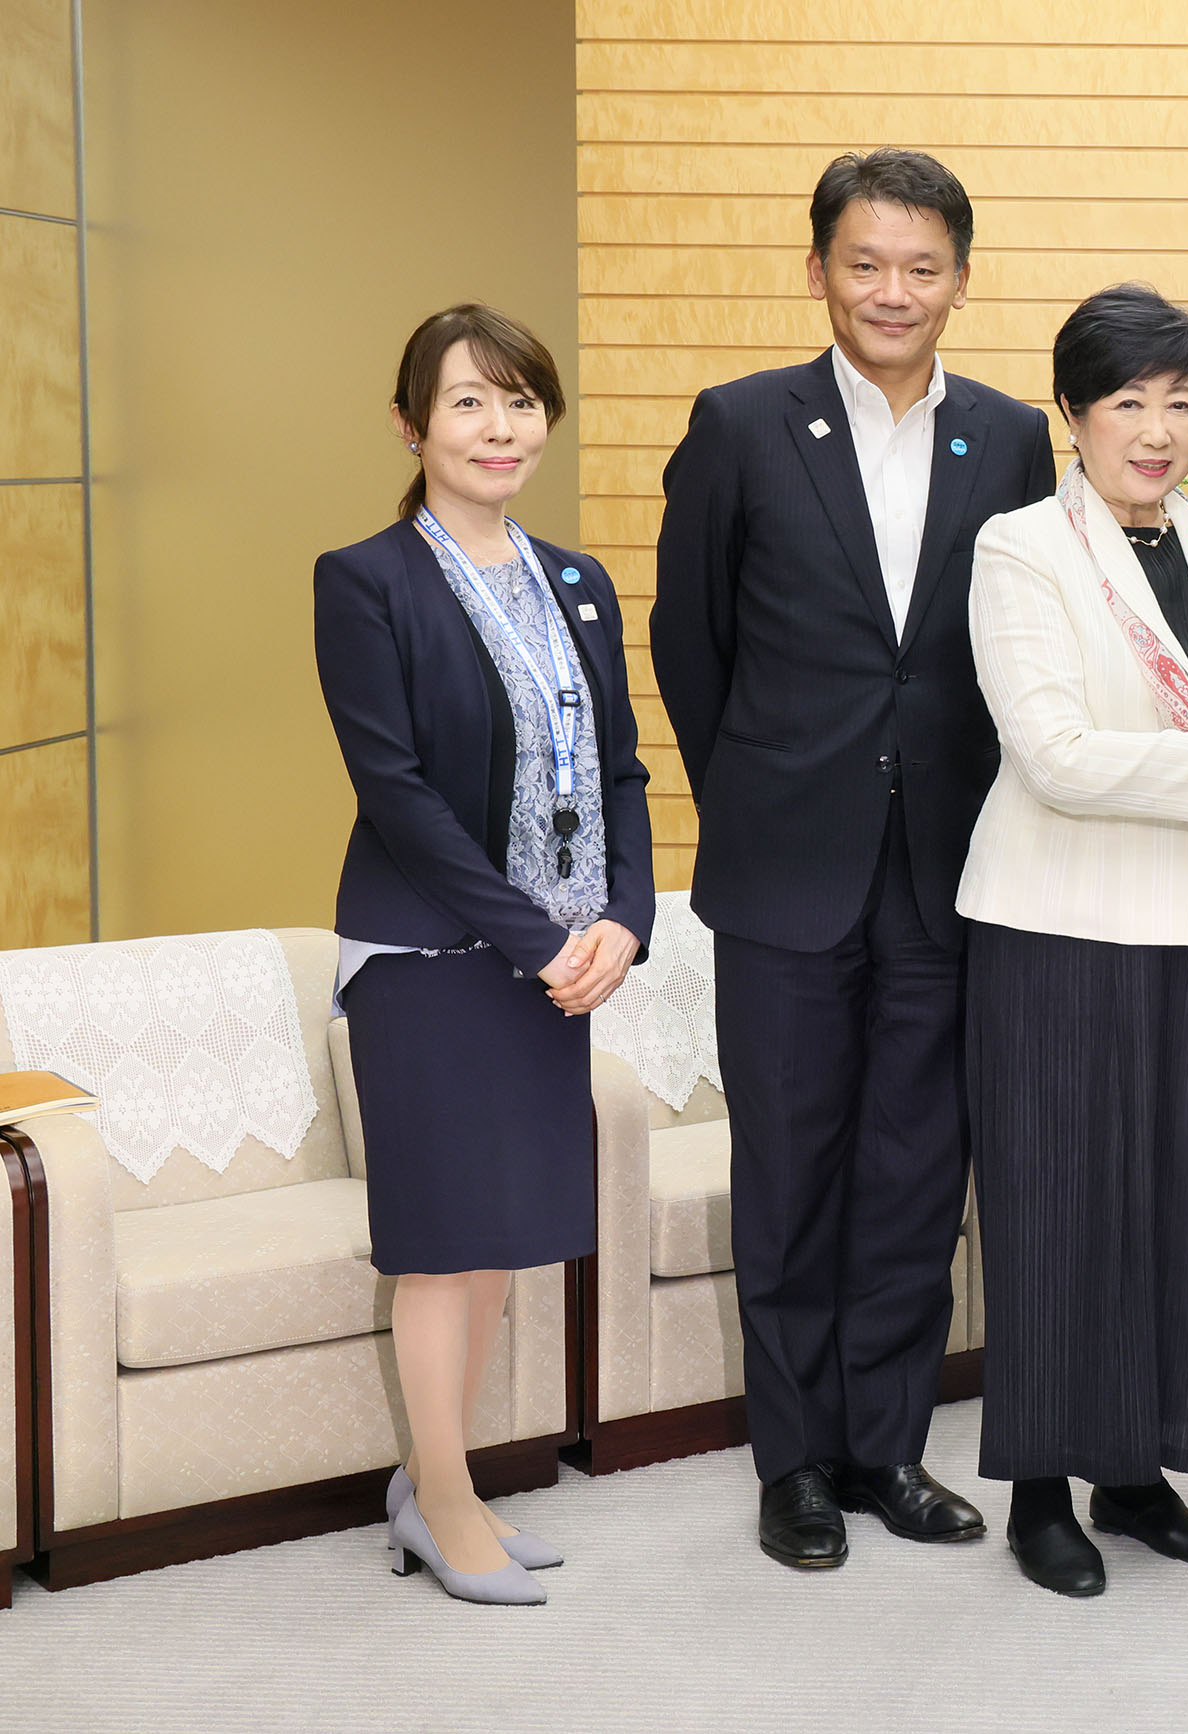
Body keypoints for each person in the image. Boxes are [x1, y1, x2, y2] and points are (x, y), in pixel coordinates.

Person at [652, 149, 1056, 1570]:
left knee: (911, 1166)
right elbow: (689, 643)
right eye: (866, 262)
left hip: (952, 864)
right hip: (785, 866)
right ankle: (795, 1461)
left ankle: (887, 1446)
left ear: (960, 276)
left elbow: (1022, 641)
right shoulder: (741, 424)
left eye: (923, 264)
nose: (894, 289)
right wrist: (758, 797)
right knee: (793, 1167)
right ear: (817, 268)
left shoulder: (1007, 438)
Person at [314, 303, 654, 1605]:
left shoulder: (576, 579)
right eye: (467, 401)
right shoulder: (366, 580)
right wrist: (543, 937)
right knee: (442, 1239)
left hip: (559, 958)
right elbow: (397, 794)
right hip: (430, 957)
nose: (498, 425)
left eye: (518, 400)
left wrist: (624, 918)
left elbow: (620, 765)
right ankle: (443, 1505)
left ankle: (436, 1486)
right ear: (413, 425)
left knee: (504, 1237)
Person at [957, 284, 1188, 1598]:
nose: (1156, 429)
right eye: (1127, 403)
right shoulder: (1021, 549)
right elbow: (1055, 756)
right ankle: (1042, 1487)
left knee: (1177, 1200)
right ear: (1073, 416)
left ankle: (1138, 1469)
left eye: (1180, 402)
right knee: (1055, 1208)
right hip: (1055, 924)